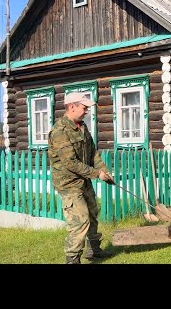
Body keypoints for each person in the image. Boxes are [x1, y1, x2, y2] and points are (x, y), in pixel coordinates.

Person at [48, 92, 115, 264]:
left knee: (93, 213)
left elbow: (93, 154)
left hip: (84, 180)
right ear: (72, 106)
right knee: (80, 220)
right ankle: (72, 259)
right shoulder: (60, 131)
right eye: (84, 107)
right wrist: (96, 174)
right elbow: (70, 163)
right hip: (68, 183)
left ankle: (94, 251)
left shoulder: (82, 127)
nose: (86, 111)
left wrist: (105, 171)